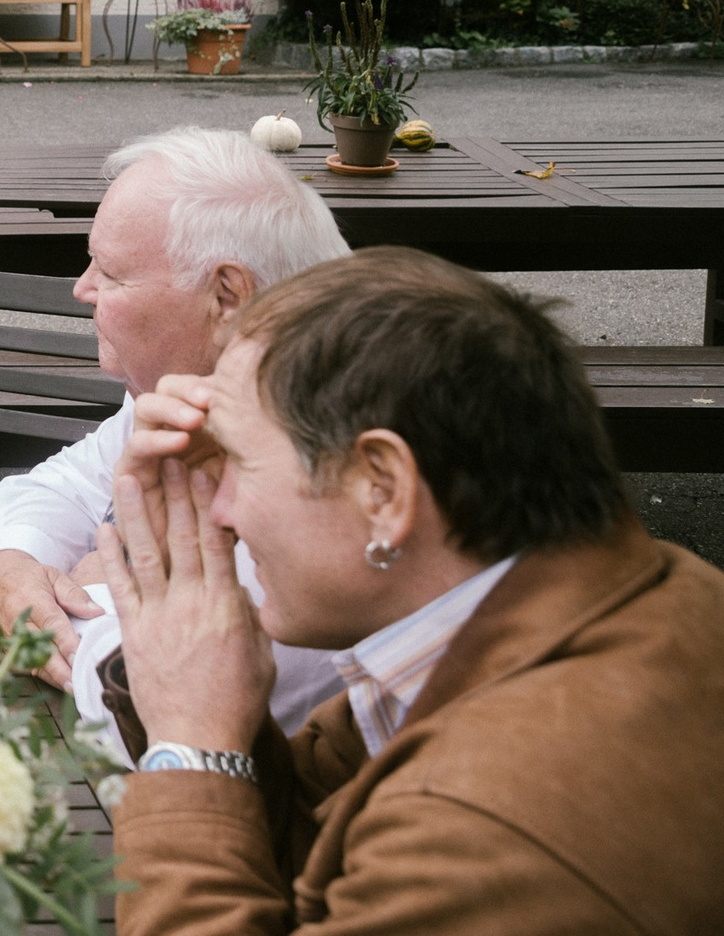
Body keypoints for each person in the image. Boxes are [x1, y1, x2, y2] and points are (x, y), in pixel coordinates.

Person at [94, 247, 724, 933]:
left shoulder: (489, 821)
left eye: (239, 461)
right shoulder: (633, 594)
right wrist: (198, 683)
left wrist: (191, 742)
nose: (224, 513)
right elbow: (321, 841)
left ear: (384, 489)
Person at [0, 127, 351, 739]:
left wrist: (102, 571)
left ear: (227, 296)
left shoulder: (315, 456)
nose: (83, 288)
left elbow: (140, 704)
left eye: (114, 274)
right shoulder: (201, 387)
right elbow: (62, 483)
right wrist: (13, 570)